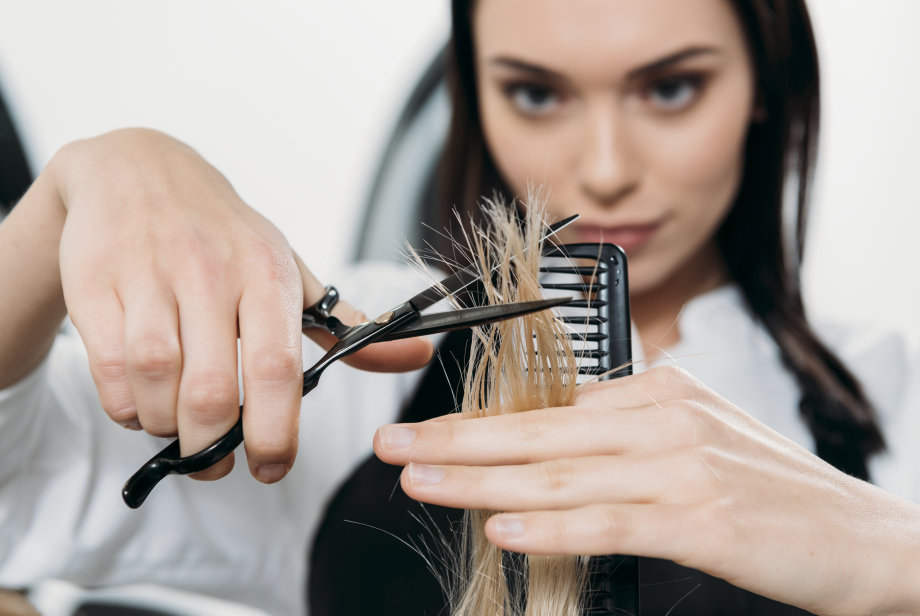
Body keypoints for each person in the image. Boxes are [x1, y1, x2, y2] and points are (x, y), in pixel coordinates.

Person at [0, 0, 918, 615]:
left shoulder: (891, 399)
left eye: (671, 87)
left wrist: (891, 555)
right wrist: (73, 194)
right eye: (535, 92)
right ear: (474, 95)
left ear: (766, 84)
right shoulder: (366, 375)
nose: (603, 168)